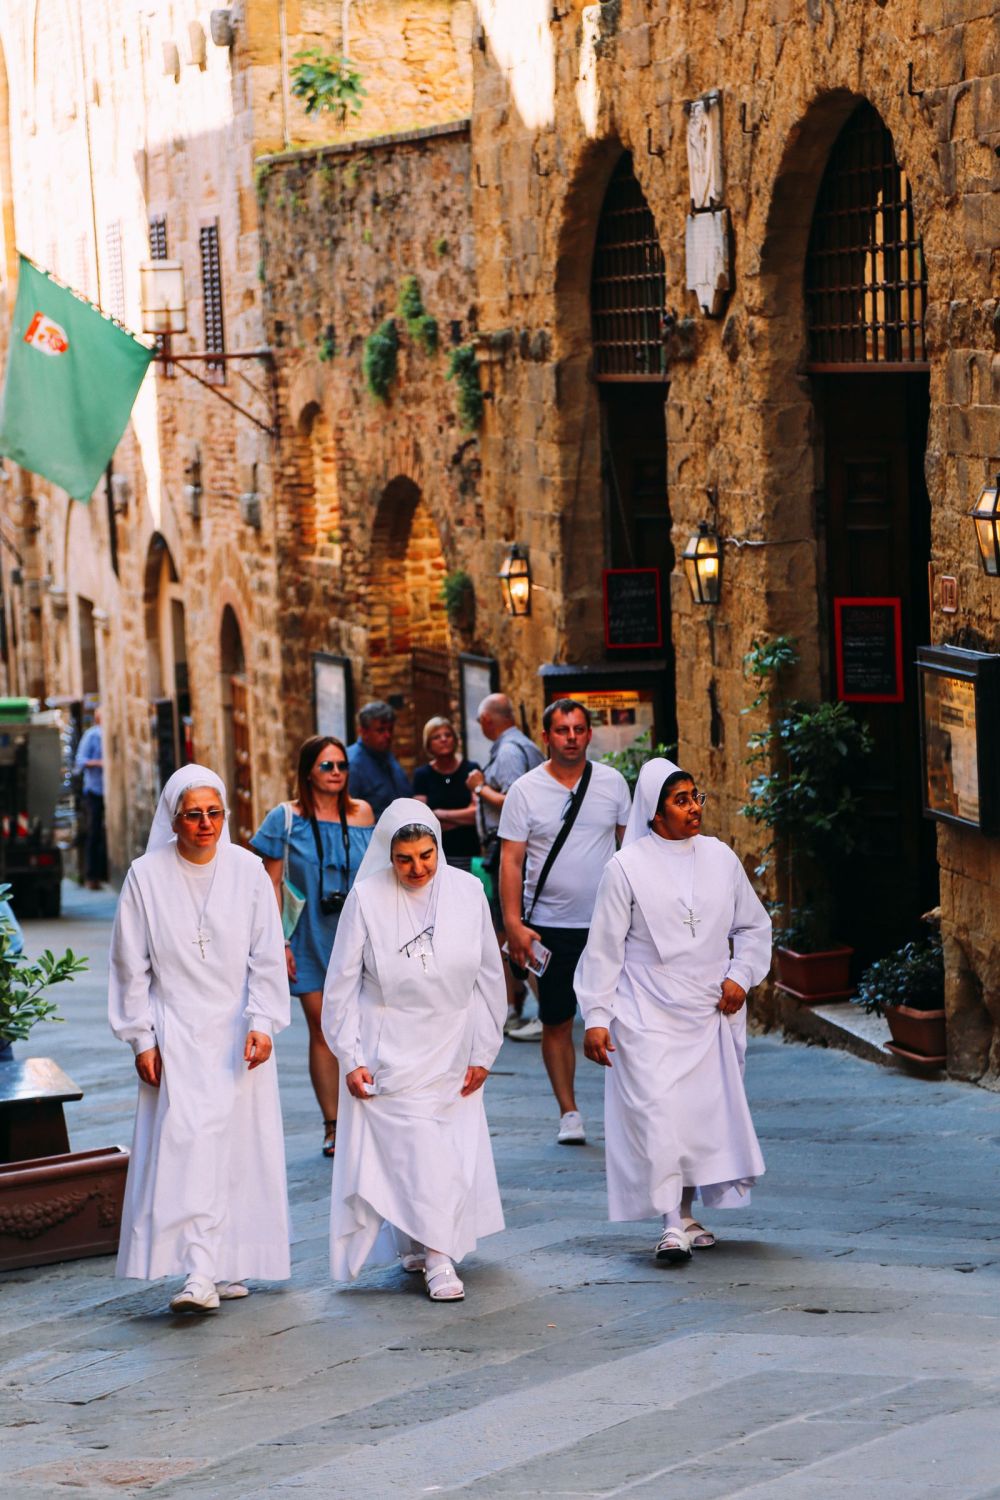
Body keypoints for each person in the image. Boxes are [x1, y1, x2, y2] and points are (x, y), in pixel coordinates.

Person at [108, 765, 291, 1313]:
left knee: (236, 1147)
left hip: (236, 1031)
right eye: (194, 814)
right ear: (174, 818)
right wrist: (141, 1037)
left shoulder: (249, 871)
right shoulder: (145, 876)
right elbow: (129, 965)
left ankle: (225, 1262)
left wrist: (262, 1022)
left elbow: (266, 954)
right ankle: (197, 1271)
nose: (206, 824)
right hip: (177, 1028)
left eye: (215, 813)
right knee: (188, 1144)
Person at [576, 758, 771, 1264]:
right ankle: (667, 1223)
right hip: (646, 1008)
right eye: (681, 800)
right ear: (655, 812)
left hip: (709, 1008)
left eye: (696, 797)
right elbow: (604, 948)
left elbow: (753, 927)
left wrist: (740, 976)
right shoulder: (625, 868)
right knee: (658, 1113)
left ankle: (684, 1212)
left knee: (696, 1116)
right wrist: (597, 1017)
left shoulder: (721, 858)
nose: (694, 808)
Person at [322, 799, 506, 1301]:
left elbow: (490, 977)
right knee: (416, 1149)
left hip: (453, 1040)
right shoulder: (365, 898)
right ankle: (438, 1258)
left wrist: (485, 1049)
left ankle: (425, 1244)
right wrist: (350, 1056)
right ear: (389, 854)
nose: (417, 868)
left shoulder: (468, 892)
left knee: (441, 1151)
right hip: (390, 1045)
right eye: (404, 859)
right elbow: (341, 984)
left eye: (426, 855)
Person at [498, 698, 631, 1145]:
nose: (571, 737)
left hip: (608, 926)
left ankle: (631, 1107)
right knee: (556, 1019)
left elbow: (631, 852)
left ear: (589, 734)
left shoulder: (612, 784)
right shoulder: (525, 791)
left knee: (622, 1017)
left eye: (578, 729)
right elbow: (511, 861)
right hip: (548, 927)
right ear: (546, 737)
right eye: (562, 730)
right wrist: (513, 924)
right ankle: (569, 1112)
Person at [251, 736, 375, 1158]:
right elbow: (268, 883)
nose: (337, 772)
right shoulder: (285, 819)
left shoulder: (362, 815)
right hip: (305, 935)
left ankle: (368, 1115)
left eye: (342, 765)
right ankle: (334, 1123)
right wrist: (277, 943)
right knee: (324, 1027)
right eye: (327, 766)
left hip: (356, 934)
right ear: (308, 771)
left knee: (363, 1026)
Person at [466, 693, 543, 1030]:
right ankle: (519, 1004)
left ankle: (540, 1009)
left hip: (510, 848)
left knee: (511, 927)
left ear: (487, 721)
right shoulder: (523, 746)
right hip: (519, 847)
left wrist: (481, 789)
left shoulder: (510, 751)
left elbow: (513, 801)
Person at [412, 716, 480, 870]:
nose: (444, 739)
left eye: (448, 735)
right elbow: (422, 819)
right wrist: (461, 817)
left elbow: (476, 814)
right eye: (437, 737)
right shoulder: (422, 775)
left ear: (455, 740)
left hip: (468, 851)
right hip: (435, 854)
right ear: (428, 744)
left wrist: (440, 814)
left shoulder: (471, 769)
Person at [346, 701, 411, 818]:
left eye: (390, 730)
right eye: (381, 730)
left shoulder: (386, 754)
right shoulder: (352, 764)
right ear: (363, 732)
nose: (388, 735)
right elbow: (349, 813)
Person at [74, 705, 107, 889]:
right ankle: (91, 876)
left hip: (106, 790)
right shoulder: (92, 735)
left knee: (102, 834)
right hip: (94, 790)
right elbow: (80, 761)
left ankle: (101, 874)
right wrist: (98, 763)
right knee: (93, 832)